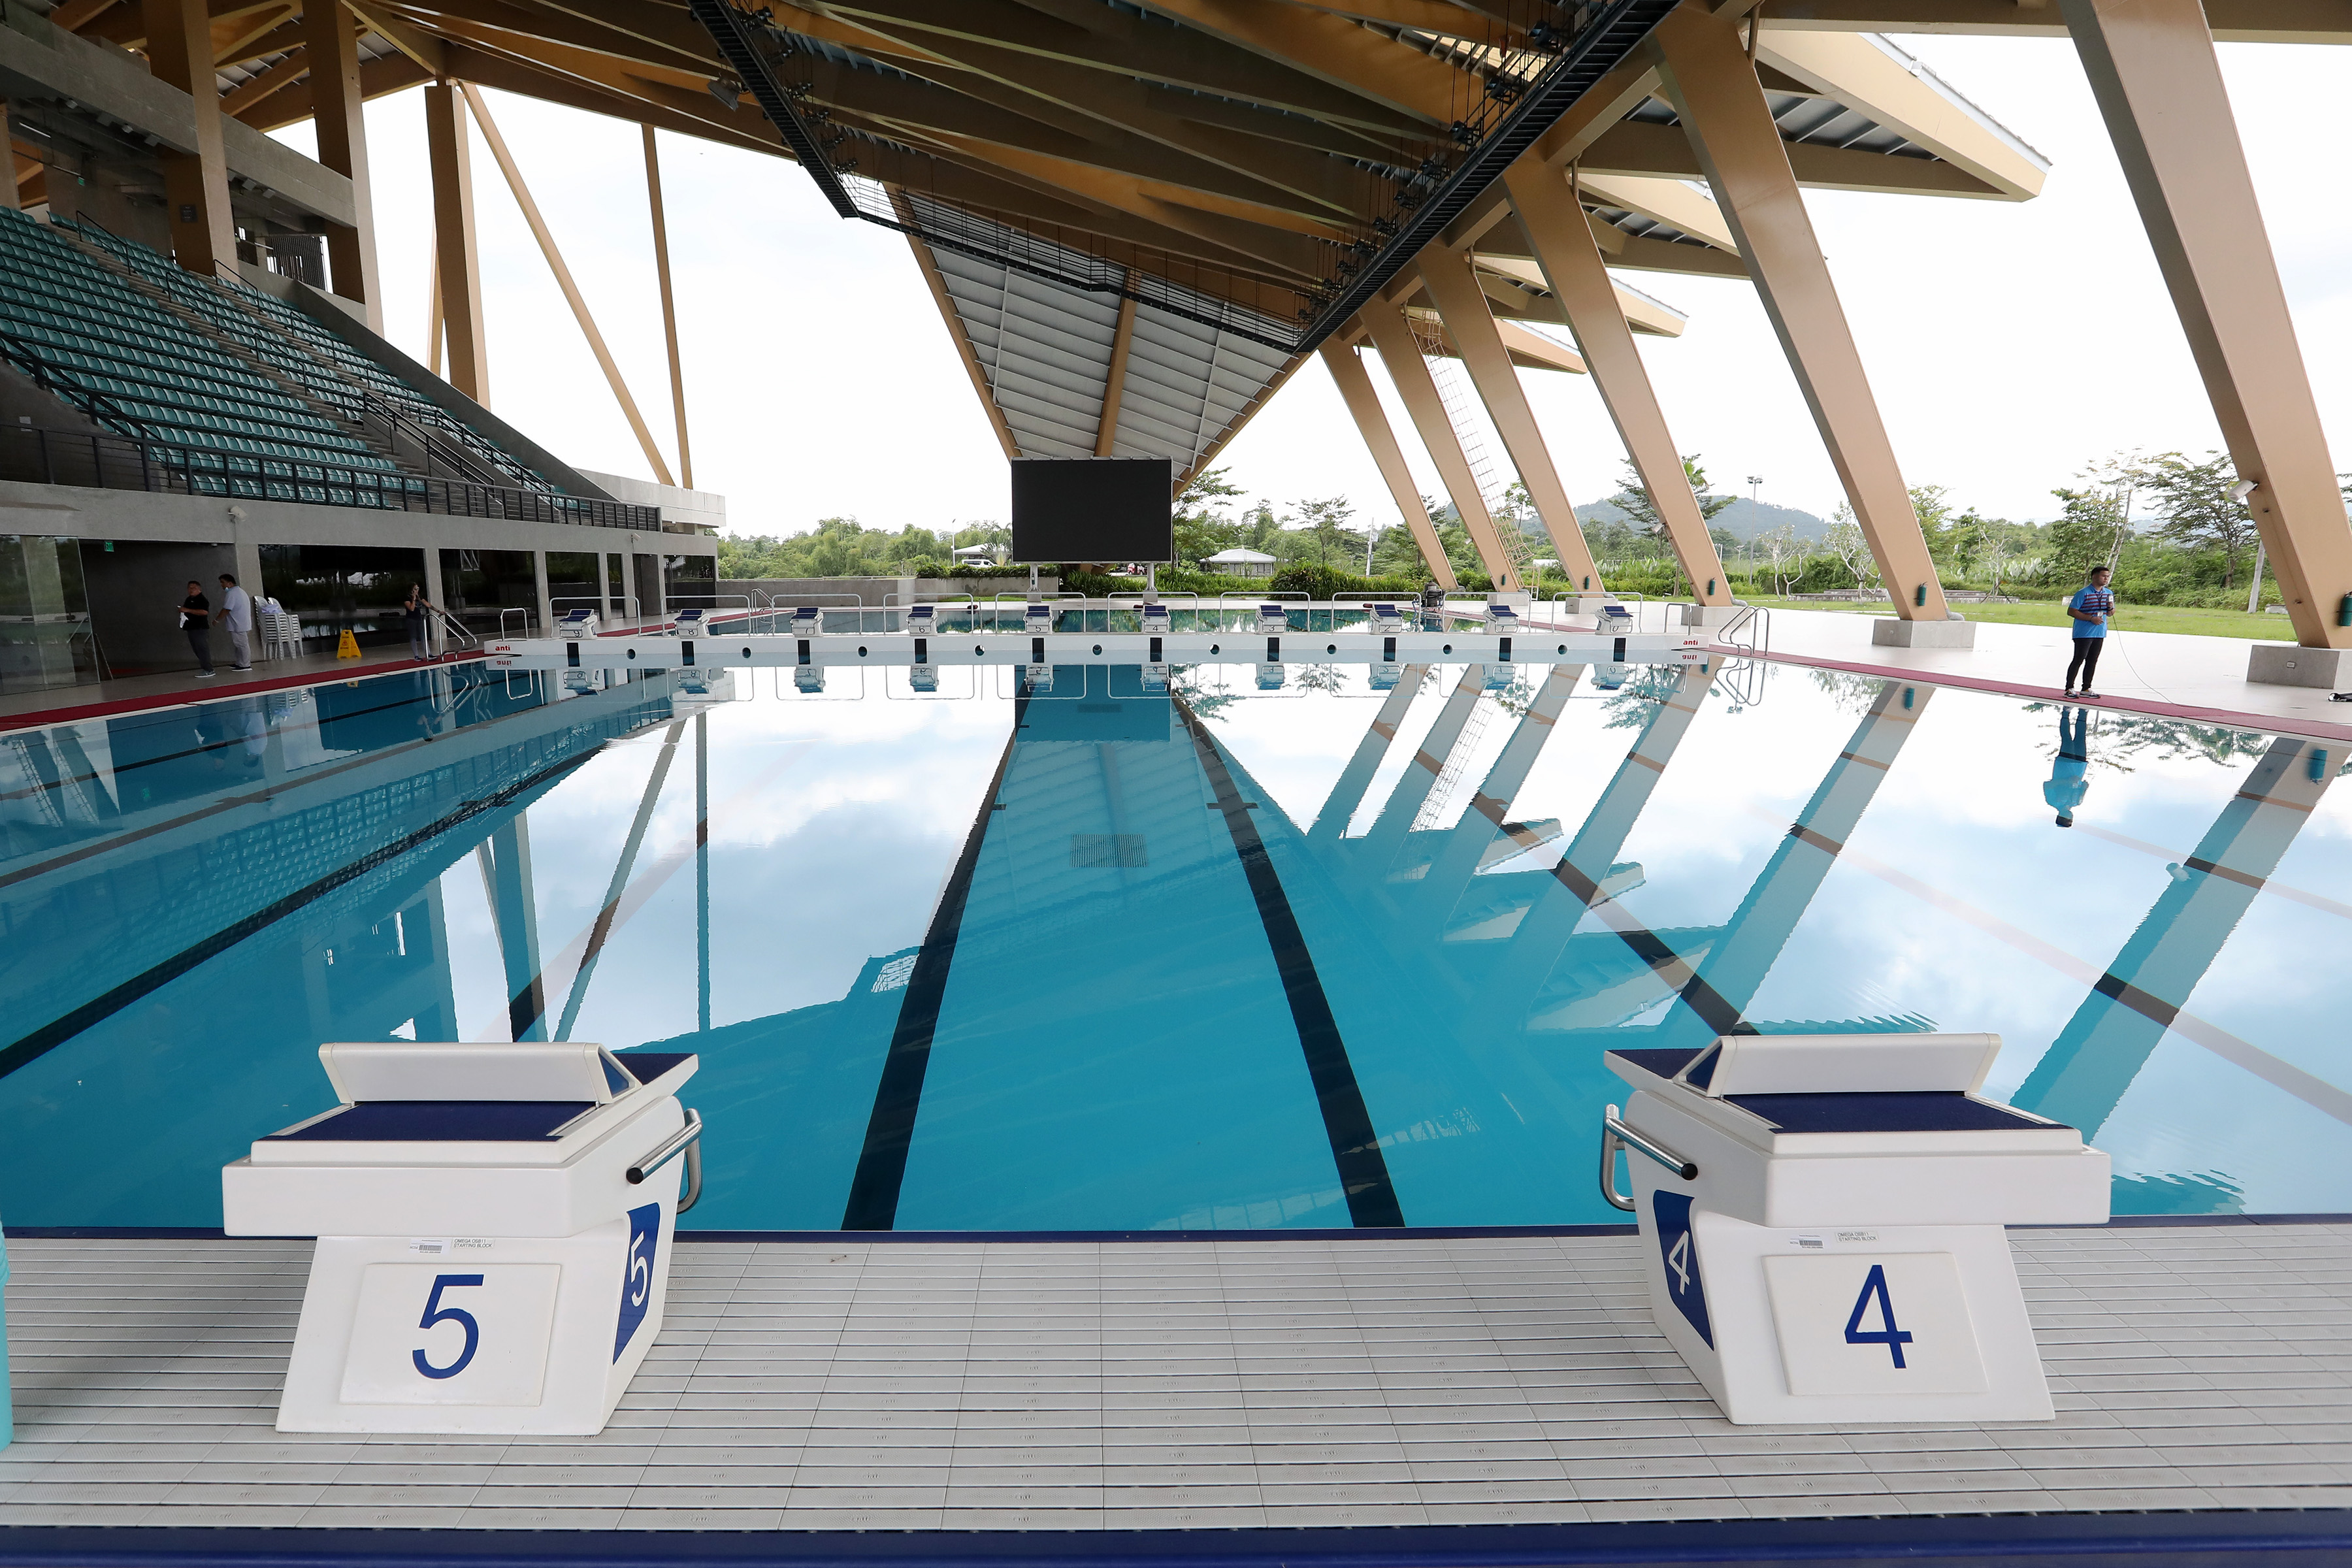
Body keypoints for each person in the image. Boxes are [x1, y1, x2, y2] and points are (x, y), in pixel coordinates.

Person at [2063, 566, 2114, 698]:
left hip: (2099, 632)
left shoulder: (2108, 593)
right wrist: (2091, 618)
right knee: (2079, 659)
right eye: (2103, 576)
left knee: (2092, 661)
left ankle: (2086, 687)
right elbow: (2072, 611)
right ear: (2095, 576)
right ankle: (2069, 688)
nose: (2106, 579)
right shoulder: (2083, 593)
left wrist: (2110, 610)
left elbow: (2111, 612)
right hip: (2084, 633)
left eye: (2107, 576)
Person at [2045, 704, 2090, 827]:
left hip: (2064, 765)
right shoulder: (2077, 802)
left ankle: (2065, 713)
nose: (2070, 818)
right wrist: (2084, 787)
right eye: (2071, 820)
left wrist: (2067, 782)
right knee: (2081, 737)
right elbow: (2085, 786)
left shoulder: (2052, 801)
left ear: (2060, 817)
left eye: (2067, 820)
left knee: (2067, 738)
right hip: (2080, 766)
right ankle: (2083, 713)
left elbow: (2048, 785)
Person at [218, 572, 254, 672]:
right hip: (241, 623)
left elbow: (227, 609)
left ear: (229, 583)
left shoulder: (232, 594)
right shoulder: (240, 592)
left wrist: (217, 620)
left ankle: (245, 664)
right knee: (239, 645)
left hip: (238, 624)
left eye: (223, 583)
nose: (222, 585)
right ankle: (240, 662)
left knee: (242, 645)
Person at [178, 579, 214, 677]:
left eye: (193, 588)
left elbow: (204, 612)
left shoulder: (202, 600)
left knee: (202, 648)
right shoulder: (189, 599)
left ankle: (208, 669)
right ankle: (205, 667)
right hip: (191, 628)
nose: (191, 590)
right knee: (196, 649)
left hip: (200, 628)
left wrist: (188, 610)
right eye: (189, 588)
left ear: (199, 589)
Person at [402, 584, 433, 661]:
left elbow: (428, 605)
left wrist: (439, 611)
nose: (417, 590)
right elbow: (411, 609)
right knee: (413, 637)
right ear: (412, 590)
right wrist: (413, 599)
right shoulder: (407, 598)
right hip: (411, 619)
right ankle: (416, 655)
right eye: (416, 588)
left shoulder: (419, 597)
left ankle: (428, 653)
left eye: (418, 588)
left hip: (419, 618)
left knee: (423, 636)